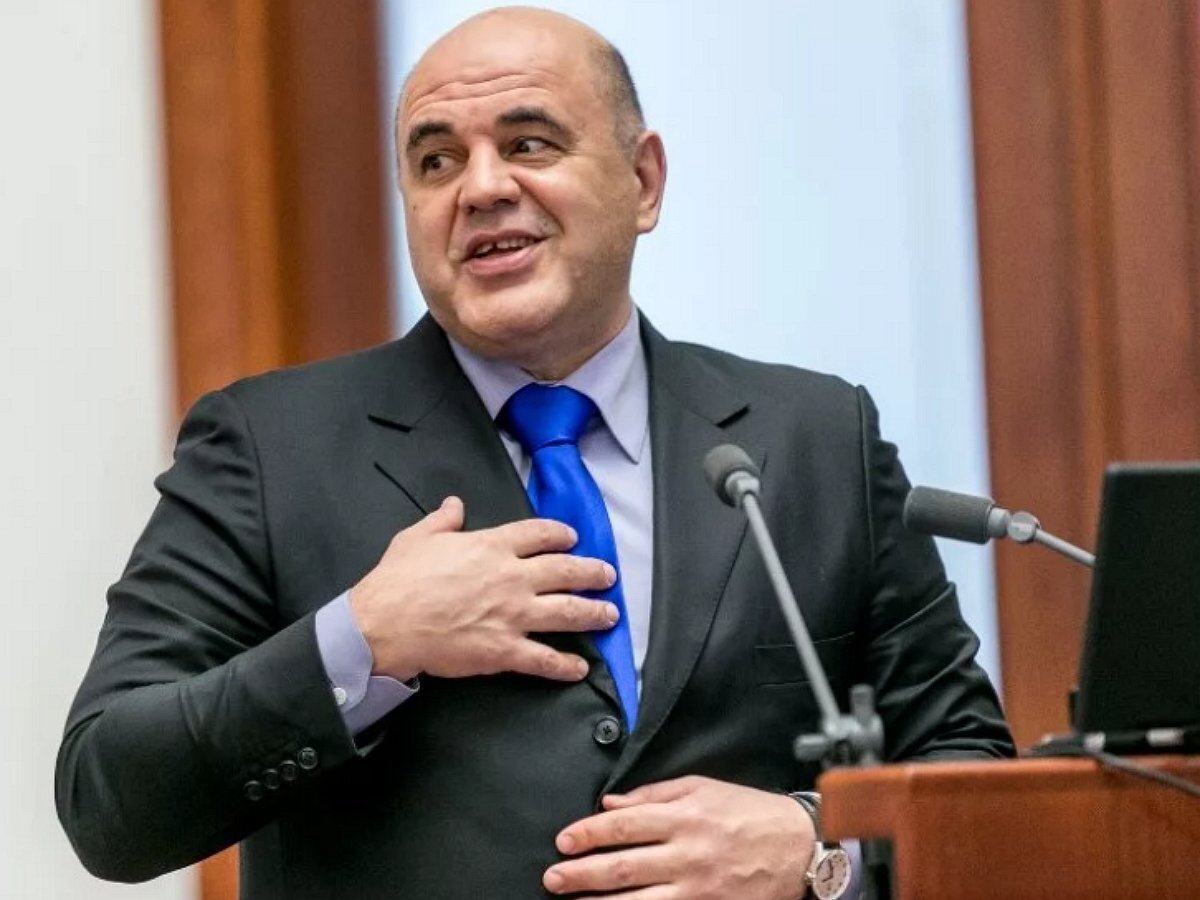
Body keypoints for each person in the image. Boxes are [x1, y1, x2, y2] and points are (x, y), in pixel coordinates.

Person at [57, 7, 1013, 899]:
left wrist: (816, 846)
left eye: (528, 144)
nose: (480, 189)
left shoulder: (813, 438)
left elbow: (974, 778)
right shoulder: (270, 448)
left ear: (643, 182)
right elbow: (108, 799)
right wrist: (364, 639)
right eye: (436, 161)